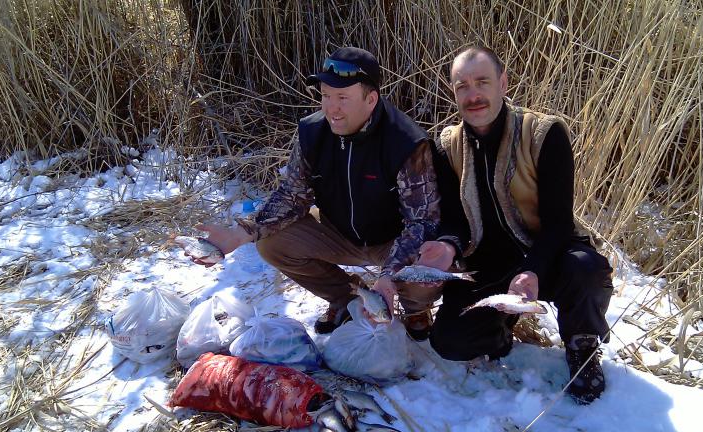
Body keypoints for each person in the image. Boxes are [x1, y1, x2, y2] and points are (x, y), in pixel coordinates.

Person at [190, 47, 441, 338]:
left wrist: (388, 275)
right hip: (337, 233)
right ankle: (346, 297)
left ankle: (415, 309)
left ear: (371, 99)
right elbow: (292, 194)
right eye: (325, 95)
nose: (331, 108)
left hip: (392, 242)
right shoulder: (312, 133)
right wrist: (241, 233)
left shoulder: (406, 143)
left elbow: (422, 223)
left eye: (343, 98)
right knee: (270, 244)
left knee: (429, 262)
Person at [416, 46, 614, 404]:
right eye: (462, 86)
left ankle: (582, 346)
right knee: (449, 342)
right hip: (488, 262)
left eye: (482, 82)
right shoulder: (446, 146)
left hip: (547, 253)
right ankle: (500, 331)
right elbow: (455, 220)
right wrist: (447, 245)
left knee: (586, 268)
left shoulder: (543, 133)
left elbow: (558, 222)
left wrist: (532, 269)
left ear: (503, 83)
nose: (473, 95)